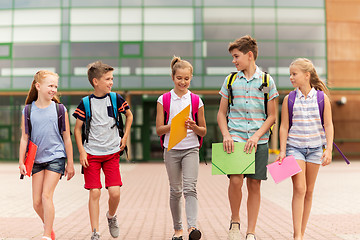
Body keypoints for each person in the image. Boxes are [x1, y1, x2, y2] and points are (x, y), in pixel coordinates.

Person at [217, 35, 279, 240]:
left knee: (254, 185)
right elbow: (221, 113)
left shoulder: (266, 81)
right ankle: (235, 222)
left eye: (236, 56)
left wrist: (256, 136)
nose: (233, 61)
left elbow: (272, 116)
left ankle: (251, 232)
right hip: (235, 137)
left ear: (249, 55)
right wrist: (226, 134)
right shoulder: (231, 80)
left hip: (258, 141)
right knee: (236, 180)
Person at [73, 61, 133, 240]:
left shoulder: (116, 99)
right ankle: (95, 232)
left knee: (114, 192)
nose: (111, 82)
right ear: (95, 81)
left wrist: (125, 136)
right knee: (95, 192)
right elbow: (77, 129)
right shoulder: (85, 103)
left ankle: (111, 216)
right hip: (91, 154)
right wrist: (82, 152)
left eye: (112, 78)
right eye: (107, 79)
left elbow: (129, 116)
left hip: (112, 153)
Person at [276, 58, 333, 240]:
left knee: (309, 191)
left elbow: (328, 125)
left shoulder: (321, 98)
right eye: (290, 74)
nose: (291, 77)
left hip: (316, 149)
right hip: (295, 148)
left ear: (306, 75)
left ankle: (302, 231)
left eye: (294, 74)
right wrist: (282, 150)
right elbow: (284, 126)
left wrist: (328, 149)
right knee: (299, 189)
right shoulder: (289, 99)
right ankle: (297, 235)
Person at [19, 70, 75, 240]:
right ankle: (49, 228)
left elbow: (66, 138)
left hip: (56, 157)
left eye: (55, 86)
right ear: (38, 86)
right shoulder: (28, 111)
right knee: (36, 202)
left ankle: (45, 236)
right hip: (36, 159)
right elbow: (24, 138)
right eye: (50, 85)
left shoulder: (59, 109)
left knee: (46, 196)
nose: (54, 89)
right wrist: (21, 161)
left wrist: (70, 163)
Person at [156, 56, 207, 240]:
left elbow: (203, 131)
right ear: (173, 77)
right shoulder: (164, 99)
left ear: (191, 78)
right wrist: (174, 124)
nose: (183, 82)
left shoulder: (196, 100)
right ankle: (177, 229)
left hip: (191, 149)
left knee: (190, 189)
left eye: (186, 78)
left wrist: (193, 127)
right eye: (179, 78)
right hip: (171, 150)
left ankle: (192, 227)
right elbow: (159, 129)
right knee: (175, 190)